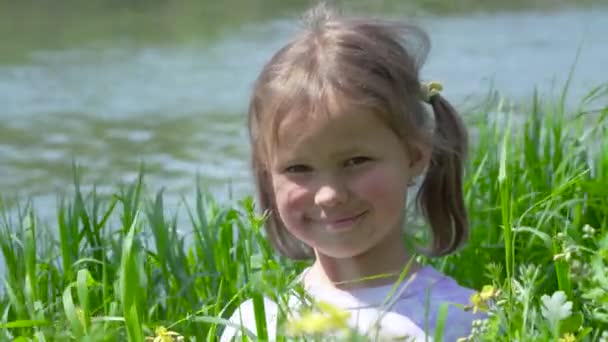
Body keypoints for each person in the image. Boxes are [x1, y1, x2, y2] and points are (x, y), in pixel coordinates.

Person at [221, 2, 485, 341]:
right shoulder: (256, 325)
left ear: (415, 156)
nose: (329, 194)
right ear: (268, 175)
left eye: (355, 162)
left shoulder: (466, 318)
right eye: (298, 168)